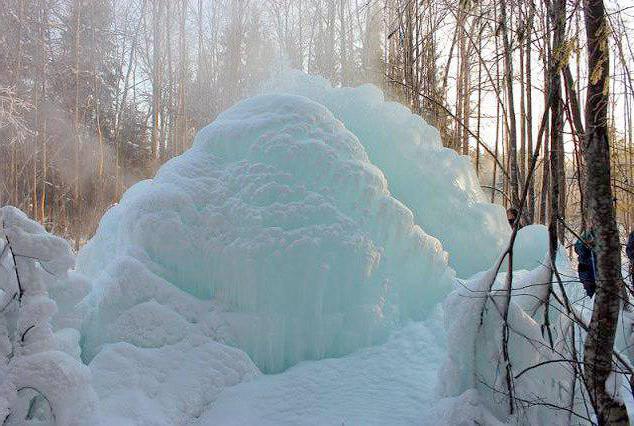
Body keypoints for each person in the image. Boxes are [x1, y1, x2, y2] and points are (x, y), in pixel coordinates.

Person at [575, 224, 597, 297]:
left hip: (599, 269)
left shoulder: (606, 234)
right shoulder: (586, 234)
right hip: (586, 267)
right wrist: (586, 247)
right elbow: (578, 248)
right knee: (590, 291)